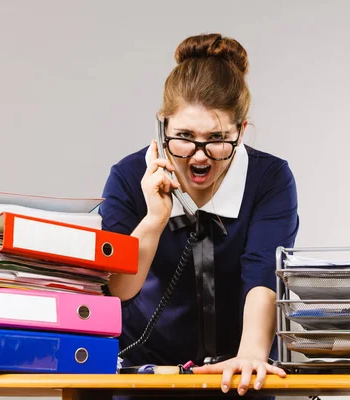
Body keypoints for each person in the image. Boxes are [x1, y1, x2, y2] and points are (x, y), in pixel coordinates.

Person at [99, 32, 299, 397]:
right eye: (185, 136)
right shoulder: (128, 178)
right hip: (146, 375)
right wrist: (154, 220)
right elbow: (119, 289)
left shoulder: (269, 180)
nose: (200, 155)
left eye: (217, 138)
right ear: (162, 126)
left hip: (239, 376)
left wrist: (251, 356)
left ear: (241, 132)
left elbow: (263, 276)